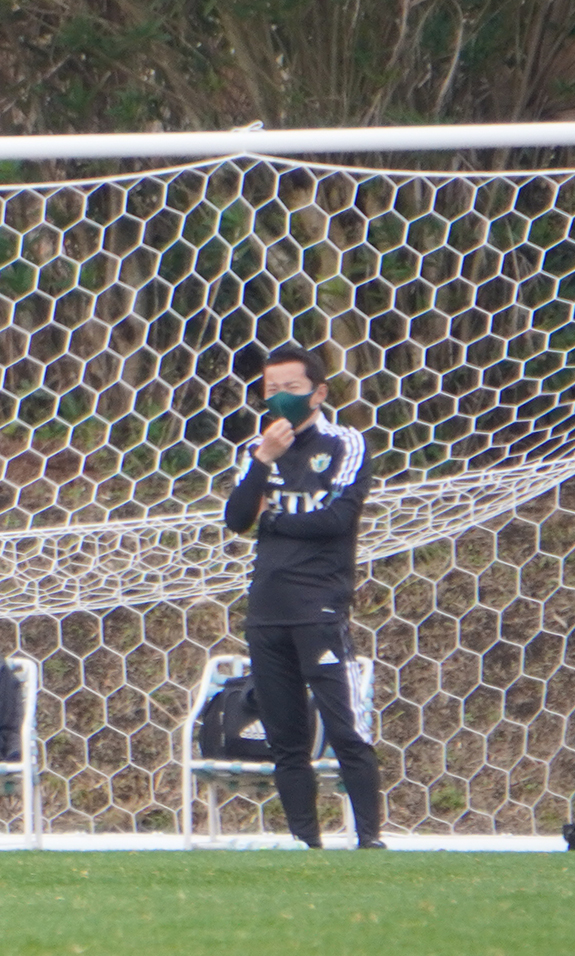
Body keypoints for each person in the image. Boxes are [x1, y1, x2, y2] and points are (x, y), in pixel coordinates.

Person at [223, 344, 384, 849]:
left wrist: (274, 521)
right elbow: (236, 519)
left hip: (320, 605)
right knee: (286, 739)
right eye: (272, 390)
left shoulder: (344, 444)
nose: (281, 399)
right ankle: (305, 844)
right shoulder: (255, 449)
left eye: (292, 389)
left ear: (318, 391)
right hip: (266, 609)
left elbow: (337, 520)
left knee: (345, 729)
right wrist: (262, 464)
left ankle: (370, 840)